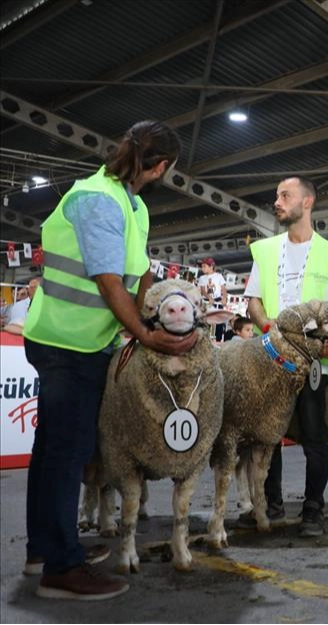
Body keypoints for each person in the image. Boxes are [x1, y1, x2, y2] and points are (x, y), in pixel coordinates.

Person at [22, 120, 190, 600]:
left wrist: (142, 322)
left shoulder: (131, 205)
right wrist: (144, 335)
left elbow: (138, 273)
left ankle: (45, 548)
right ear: (159, 167)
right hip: (66, 343)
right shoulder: (97, 198)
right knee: (67, 451)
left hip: (88, 343)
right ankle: (61, 567)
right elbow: (108, 279)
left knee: (54, 446)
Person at [241, 176, 328, 537]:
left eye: (285, 196)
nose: (278, 202)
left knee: (315, 435)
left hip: (310, 360)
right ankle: (270, 503)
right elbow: (253, 299)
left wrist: (324, 341)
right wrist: (265, 324)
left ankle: (313, 509)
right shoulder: (266, 250)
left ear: (308, 201)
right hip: (268, 357)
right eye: (276, 196)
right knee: (265, 434)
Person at [197, 257, 228, 341]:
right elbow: (203, 290)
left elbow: (223, 288)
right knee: (205, 320)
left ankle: (217, 339)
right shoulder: (202, 278)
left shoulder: (219, 276)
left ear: (211, 266)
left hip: (217, 300)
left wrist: (224, 298)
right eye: (202, 266)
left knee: (218, 321)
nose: (202, 268)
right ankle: (203, 338)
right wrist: (208, 297)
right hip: (206, 301)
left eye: (204, 266)